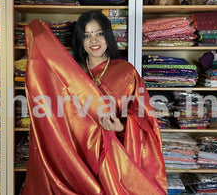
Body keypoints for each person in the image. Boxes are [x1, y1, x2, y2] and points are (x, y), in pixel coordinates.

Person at [22, 10, 166, 194]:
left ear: (108, 36)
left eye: (99, 34)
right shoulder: (71, 74)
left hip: (113, 158)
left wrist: (121, 127)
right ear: (81, 41)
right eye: (87, 36)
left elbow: (145, 119)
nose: (94, 41)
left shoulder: (126, 72)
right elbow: (55, 110)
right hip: (77, 158)